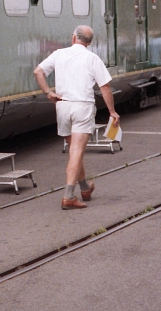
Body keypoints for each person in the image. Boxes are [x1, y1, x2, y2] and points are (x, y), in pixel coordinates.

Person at [33, 25, 119, 210]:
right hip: (82, 107)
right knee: (76, 152)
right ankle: (68, 196)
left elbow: (38, 72)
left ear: (73, 38)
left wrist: (48, 93)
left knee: (74, 150)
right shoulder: (92, 58)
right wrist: (112, 111)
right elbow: (105, 87)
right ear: (89, 42)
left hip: (62, 106)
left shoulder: (59, 54)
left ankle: (85, 189)